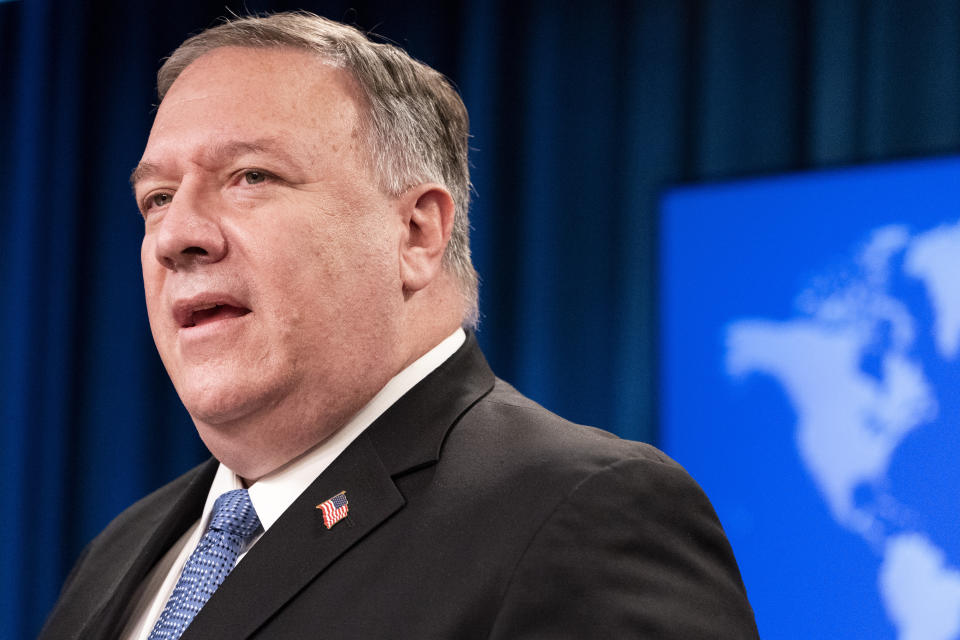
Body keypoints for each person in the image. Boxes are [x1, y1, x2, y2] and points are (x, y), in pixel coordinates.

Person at [40, 11, 759, 639]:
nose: (177, 236)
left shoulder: (584, 514)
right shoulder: (122, 550)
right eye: (157, 197)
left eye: (251, 177)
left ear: (416, 232)